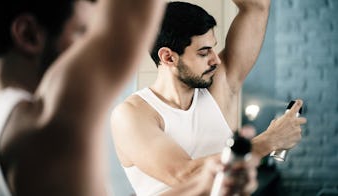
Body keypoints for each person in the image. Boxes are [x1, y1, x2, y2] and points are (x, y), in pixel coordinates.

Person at [0, 0, 166, 195]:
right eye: (83, 33)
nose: (90, 50)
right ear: (28, 34)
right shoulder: (42, 125)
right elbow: (131, 17)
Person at [111, 1, 307, 195]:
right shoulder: (131, 114)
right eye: (204, 53)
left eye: (213, 48)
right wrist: (269, 140)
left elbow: (258, 6)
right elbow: (184, 175)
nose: (216, 59)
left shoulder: (218, 86)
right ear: (168, 57)